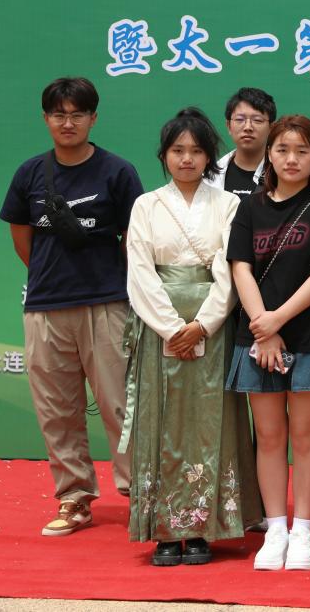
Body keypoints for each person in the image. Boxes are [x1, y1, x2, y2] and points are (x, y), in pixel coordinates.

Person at [0, 77, 144, 536]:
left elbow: (134, 239)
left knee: (121, 406)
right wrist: (50, 276)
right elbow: (22, 238)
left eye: (77, 114)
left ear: (93, 118)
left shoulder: (118, 172)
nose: (68, 123)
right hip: (45, 307)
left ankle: (140, 494)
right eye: (59, 114)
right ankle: (74, 497)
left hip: (107, 303)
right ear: (46, 119)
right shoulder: (29, 174)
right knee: (56, 410)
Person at [123, 108, 262, 565]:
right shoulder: (146, 205)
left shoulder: (228, 205)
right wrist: (171, 328)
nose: (187, 159)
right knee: (162, 419)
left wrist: (202, 325)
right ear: (163, 155)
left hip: (213, 327)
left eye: (197, 151)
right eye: (177, 150)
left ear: (209, 157)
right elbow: (140, 272)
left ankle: (204, 527)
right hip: (159, 328)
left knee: (210, 420)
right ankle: (164, 529)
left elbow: (232, 270)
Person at [225, 115, 310, 571]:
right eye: (282, 150)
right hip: (258, 338)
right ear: (269, 155)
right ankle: (275, 529)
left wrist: (277, 320)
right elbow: (240, 268)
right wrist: (264, 327)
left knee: (305, 436)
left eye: (302, 150)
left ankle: (302, 531)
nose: (291, 159)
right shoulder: (249, 208)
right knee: (270, 437)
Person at [208, 87, 276, 196]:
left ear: (271, 128)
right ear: (229, 126)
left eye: (257, 120)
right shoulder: (210, 177)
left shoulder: (282, 173)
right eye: (240, 119)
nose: (248, 127)